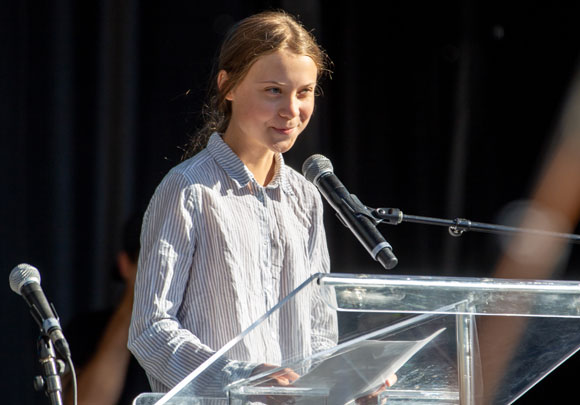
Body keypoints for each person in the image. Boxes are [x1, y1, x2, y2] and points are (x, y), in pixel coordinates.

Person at [128, 10, 395, 404]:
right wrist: (241, 379)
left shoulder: (305, 197)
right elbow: (150, 331)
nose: (291, 109)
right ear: (228, 86)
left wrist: (349, 383)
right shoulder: (188, 189)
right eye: (273, 90)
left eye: (304, 92)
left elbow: (319, 332)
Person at [64, 215, 150, 405]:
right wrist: (134, 307)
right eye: (152, 261)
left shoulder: (200, 327)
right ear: (125, 264)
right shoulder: (86, 329)